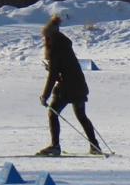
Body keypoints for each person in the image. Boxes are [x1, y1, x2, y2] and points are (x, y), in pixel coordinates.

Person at [37, 11, 102, 157]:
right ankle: (95, 145)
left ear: (49, 37)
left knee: (52, 112)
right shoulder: (65, 45)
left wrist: (45, 96)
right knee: (81, 115)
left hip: (67, 89)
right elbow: (65, 68)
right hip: (79, 86)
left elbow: (53, 76)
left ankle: (55, 146)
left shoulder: (54, 49)